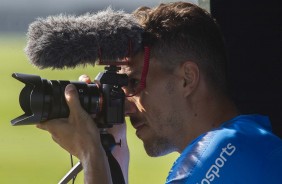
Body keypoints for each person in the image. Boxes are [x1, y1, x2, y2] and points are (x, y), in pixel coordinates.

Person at [37, 2, 282, 184]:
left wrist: (90, 154)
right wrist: (112, 153)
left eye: (133, 83)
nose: (127, 104)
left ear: (187, 79)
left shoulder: (223, 152)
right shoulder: (247, 139)